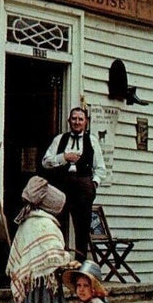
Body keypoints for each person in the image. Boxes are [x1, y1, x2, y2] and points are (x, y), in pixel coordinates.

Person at [4, 176, 75, 303]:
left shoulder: (27, 222)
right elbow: (52, 257)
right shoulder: (45, 225)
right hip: (42, 291)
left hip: (29, 290)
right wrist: (67, 259)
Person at [40, 107, 107, 262]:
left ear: (86, 122)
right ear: (69, 121)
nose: (77, 122)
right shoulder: (59, 139)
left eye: (80, 119)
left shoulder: (92, 141)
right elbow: (45, 162)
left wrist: (93, 184)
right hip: (62, 188)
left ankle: (80, 266)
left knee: (82, 229)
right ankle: (58, 263)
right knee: (58, 225)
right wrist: (63, 157)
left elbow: (101, 168)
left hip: (84, 188)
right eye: (74, 119)